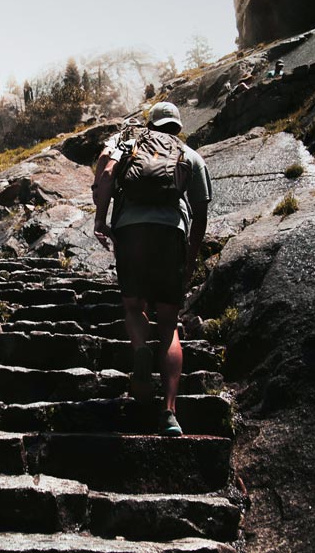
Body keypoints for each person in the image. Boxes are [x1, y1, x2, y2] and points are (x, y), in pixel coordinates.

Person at [92, 102, 212, 436]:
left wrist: (101, 220)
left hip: (131, 231)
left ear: (150, 124)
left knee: (133, 306)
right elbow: (200, 214)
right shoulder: (189, 155)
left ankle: (141, 350)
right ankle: (169, 412)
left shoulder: (129, 145)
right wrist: (190, 257)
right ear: (176, 126)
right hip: (170, 233)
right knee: (169, 324)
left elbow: (104, 176)